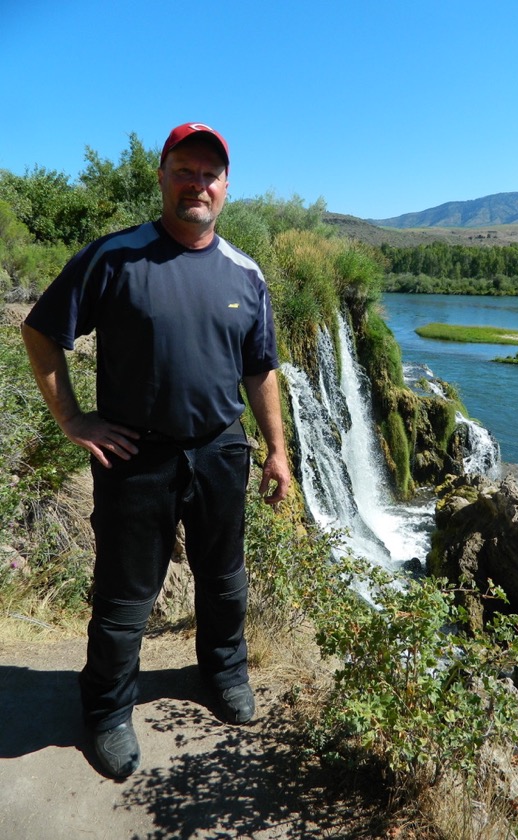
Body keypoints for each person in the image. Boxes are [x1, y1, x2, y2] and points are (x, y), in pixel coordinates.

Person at [21, 122, 291, 779]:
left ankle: (223, 673)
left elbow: (261, 370)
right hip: (135, 455)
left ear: (226, 189)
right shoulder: (114, 257)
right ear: (163, 176)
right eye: (185, 170)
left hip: (221, 448)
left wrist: (277, 452)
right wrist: (74, 419)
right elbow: (40, 332)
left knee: (224, 580)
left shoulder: (245, 274)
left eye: (209, 174)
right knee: (125, 596)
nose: (197, 184)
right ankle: (108, 712)